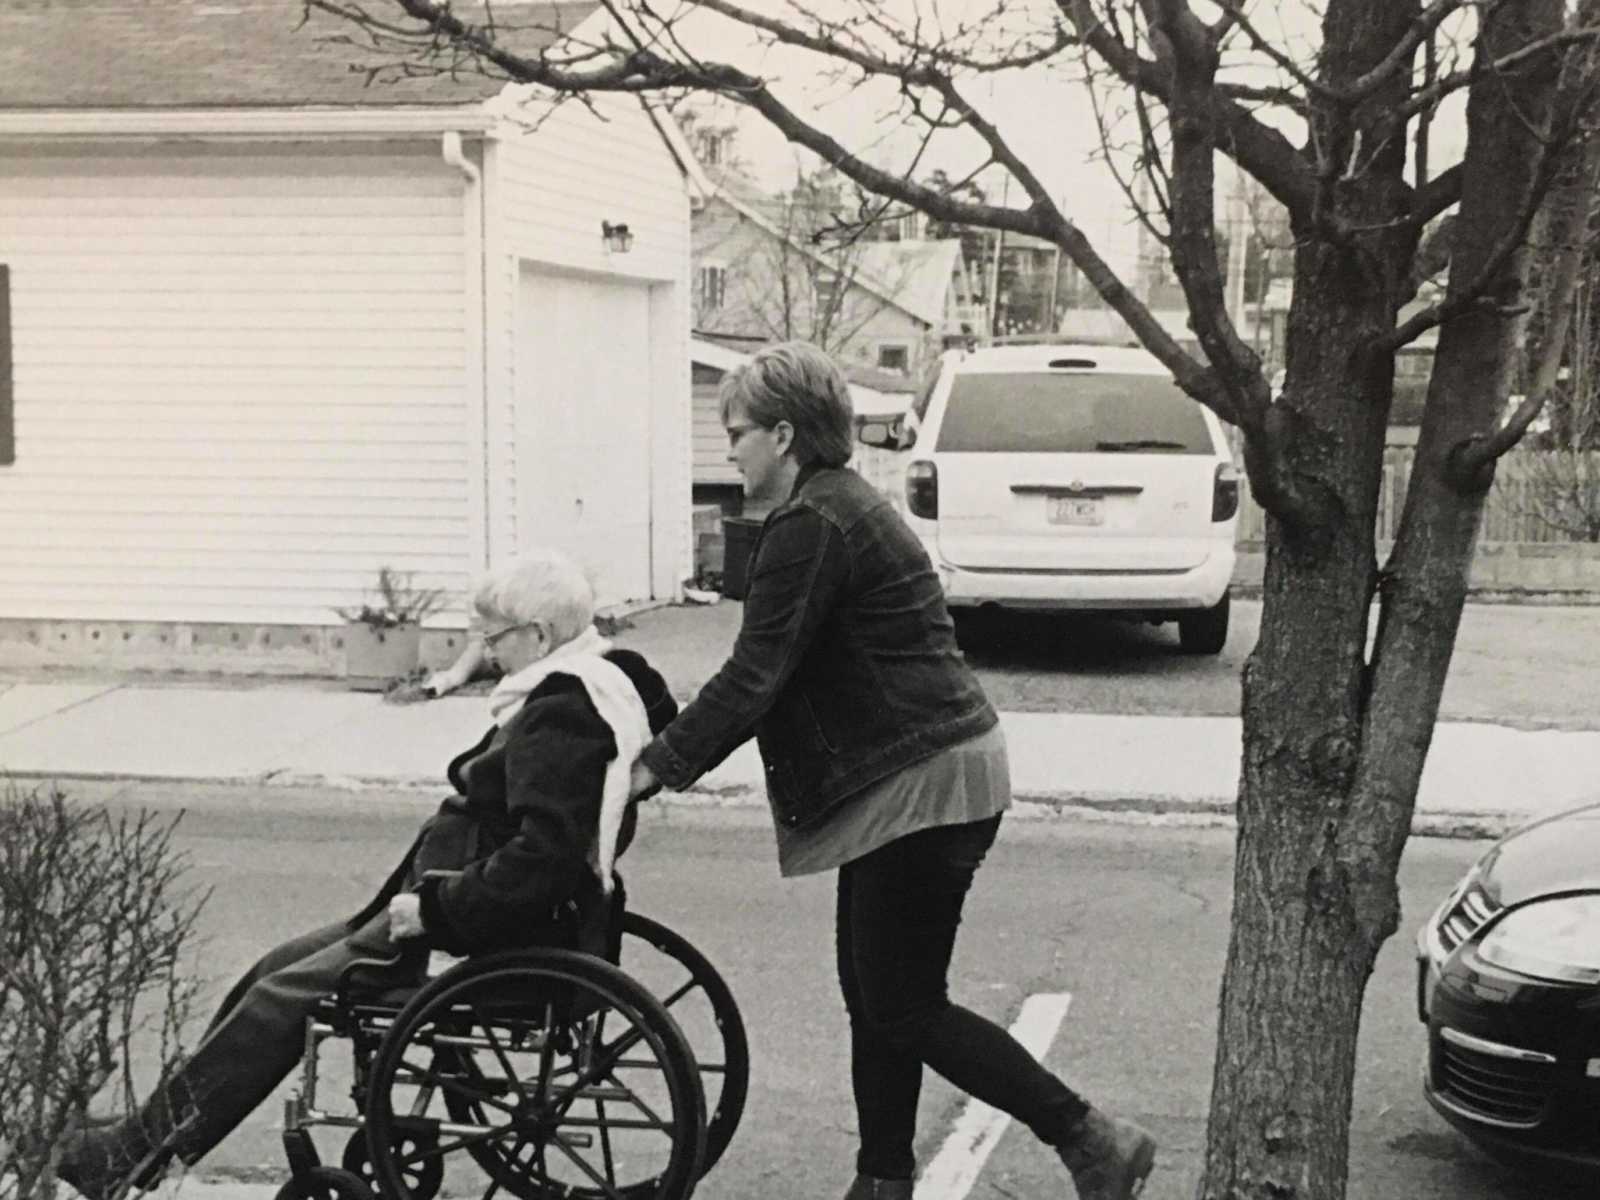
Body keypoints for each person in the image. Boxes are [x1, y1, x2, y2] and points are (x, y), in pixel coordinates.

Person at [628, 342, 1157, 1200]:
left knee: (903, 1003)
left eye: (737, 433)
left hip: (923, 781)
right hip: (920, 774)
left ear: (786, 434)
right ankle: (882, 1179)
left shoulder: (813, 522)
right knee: (876, 996)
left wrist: (656, 767)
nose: (728, 451)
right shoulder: (838, 506)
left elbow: (754, 676)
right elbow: (776, 672)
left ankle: (1090, 1137)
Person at [57, 549, 677, 1200]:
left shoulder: (564, 708)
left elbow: (543, 858)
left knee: (280, 1001)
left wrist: (434, 911)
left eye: (494, 636)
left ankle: (131, 1156)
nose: (488, 653)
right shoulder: (597, 679)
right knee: (274, 968)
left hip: (475, 928)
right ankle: (149, 1136)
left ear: (541, 636)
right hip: (466, 910)